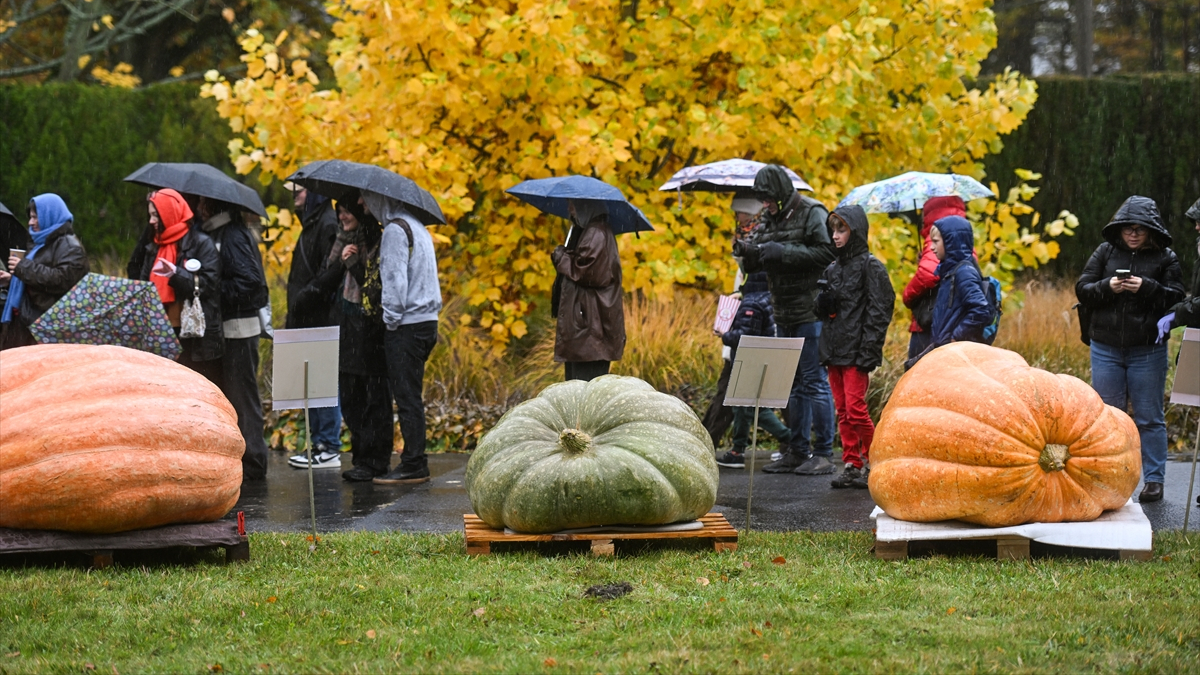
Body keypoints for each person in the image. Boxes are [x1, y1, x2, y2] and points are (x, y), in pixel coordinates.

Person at [1075, 196, 1184, 504]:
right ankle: (1109, 477)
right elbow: (1083, 289)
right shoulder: (1105, 252)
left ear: (1151, 230)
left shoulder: (1167, 258)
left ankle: (1153, 480)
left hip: (1148, 350)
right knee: (1109, 417)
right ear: (1119, 229)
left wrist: (1146, 287)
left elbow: (1176, 300)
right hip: (1105, 347)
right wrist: (1108, 286)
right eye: (1128, 228)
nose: (1133, 234)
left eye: (1140, 229)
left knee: (1149, 417)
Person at [735, 164, 837, 475]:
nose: (764, 204)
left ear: (779, 193)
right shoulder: (770, 216)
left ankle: (823, 453)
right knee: (791, 385)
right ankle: (797, 449)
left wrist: (785, 252)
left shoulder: (812, 212)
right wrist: (749, 254)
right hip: (783, 310)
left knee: (814, 381)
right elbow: (765, 255)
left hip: (810, 311)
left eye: (767, 198)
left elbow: (828, 253)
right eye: (761, 199)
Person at [298, 193, 393, 481]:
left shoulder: (375, 239)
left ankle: (376, 460)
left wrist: (353, 265)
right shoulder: (341, 239)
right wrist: (341, 263)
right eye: (339, 211)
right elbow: (327, 277)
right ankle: (362, 457)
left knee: (373, 396)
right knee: (350, 396)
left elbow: (375, 288)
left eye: (347, 211)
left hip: (370, 328)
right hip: (345, 325)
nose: (342, 216)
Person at [365, 190, 443, 485]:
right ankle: (414, 459)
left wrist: (389, 320)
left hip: (407, 325)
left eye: (367, 199)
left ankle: (414, 462)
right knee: (412, 394)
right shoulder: (418, 227)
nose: (363, 204)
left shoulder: (395, 231)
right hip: (427, 322)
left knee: (407, 396)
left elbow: (395, 281)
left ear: (380, 200)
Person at [815, 205, 895, 489]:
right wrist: (823, 304)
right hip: (834, 349)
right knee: (843, 410)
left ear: (855, 231)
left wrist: (869, 351)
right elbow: (824, 314)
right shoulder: (833, 267)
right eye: (833, 229)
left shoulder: (870, 266)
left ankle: (875, 459)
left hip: (855, 350)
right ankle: (852, 462)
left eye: (842, 229)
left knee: (856, 408)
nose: (835, 236)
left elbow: (880, 310)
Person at [196, 197, 271, 481]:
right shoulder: (221, 232)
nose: (199, 207)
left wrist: (213, 290)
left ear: (214, 206)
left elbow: (250, 283)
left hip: (240, 329)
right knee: (235, 394)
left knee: (243, 396)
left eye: (203, 203)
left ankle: (254, 462)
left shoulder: (233, 235)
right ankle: (246, 458)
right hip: (231, 328)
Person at [284, 185, 344, 467]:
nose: (294, 194)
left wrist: (307, 295)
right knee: (313, 382)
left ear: (316, 194)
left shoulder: (326, 224)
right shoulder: (312, 223)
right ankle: (320, 442)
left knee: (322, 382)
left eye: (300, 190)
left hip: (320, 317)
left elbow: (330, 274)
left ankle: (328, 445)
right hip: (308, 316)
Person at [137, 189, 224, 382]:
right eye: (150, 215)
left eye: (155, 215)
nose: (151, 221)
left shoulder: (202, 244)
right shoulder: (153, 247)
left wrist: (175, 275)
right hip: (161, 334)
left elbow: (208, 286)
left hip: (193, 338)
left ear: (168, 214)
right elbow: (144, 289)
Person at [701, 194, 763, 448]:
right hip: (745, 318)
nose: (737, 219)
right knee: (735, 391)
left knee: (736, 392)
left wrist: (744, 294)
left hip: (752, 321)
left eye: (740, 214)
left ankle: (709, 440)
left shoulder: (760, 241)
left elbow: (756, 284)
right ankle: (710, 438)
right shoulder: (744, 239)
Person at [714, 272, 793, 468]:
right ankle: (737, 450)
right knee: (740, 405)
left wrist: (724, 334)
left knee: (751, 407)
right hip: (765, 358)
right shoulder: (768, 298)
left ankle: (792, 439)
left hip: (749, 360)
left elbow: (745, 337)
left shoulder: (751, 304)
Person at [0, 194, 89, 350]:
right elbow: (36, 280)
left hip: (46, 329)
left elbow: (61, 280)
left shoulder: (70, 247)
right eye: (30, 217)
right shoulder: (40, 243)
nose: (30, 222)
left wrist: (22, 268)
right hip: (25, 323)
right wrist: (12, 280)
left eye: (35, 217)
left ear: (49, 216)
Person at [552, 200, 626, 382]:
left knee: (585, 388)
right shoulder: (589, 231)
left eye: (573, 205)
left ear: (586, 206)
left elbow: (587, 272)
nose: (569, 209)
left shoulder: (596, 233)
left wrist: (560, 256)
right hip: (587, 326)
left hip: (590, 327)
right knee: (579, 388)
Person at [902, 196, 965, 361]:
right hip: (953, 321)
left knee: (916, 374)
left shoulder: (938, 236)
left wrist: (908, 296)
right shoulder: (961, 237)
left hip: (929, 322)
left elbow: (928, 274)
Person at [925, 215, 993, 351]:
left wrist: (956, 337)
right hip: (946, 349)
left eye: (936, 242)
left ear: (951, 242)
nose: (932, 248)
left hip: (958, 352)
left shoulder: (963, 273)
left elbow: (980, 309)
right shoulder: (949, 272)